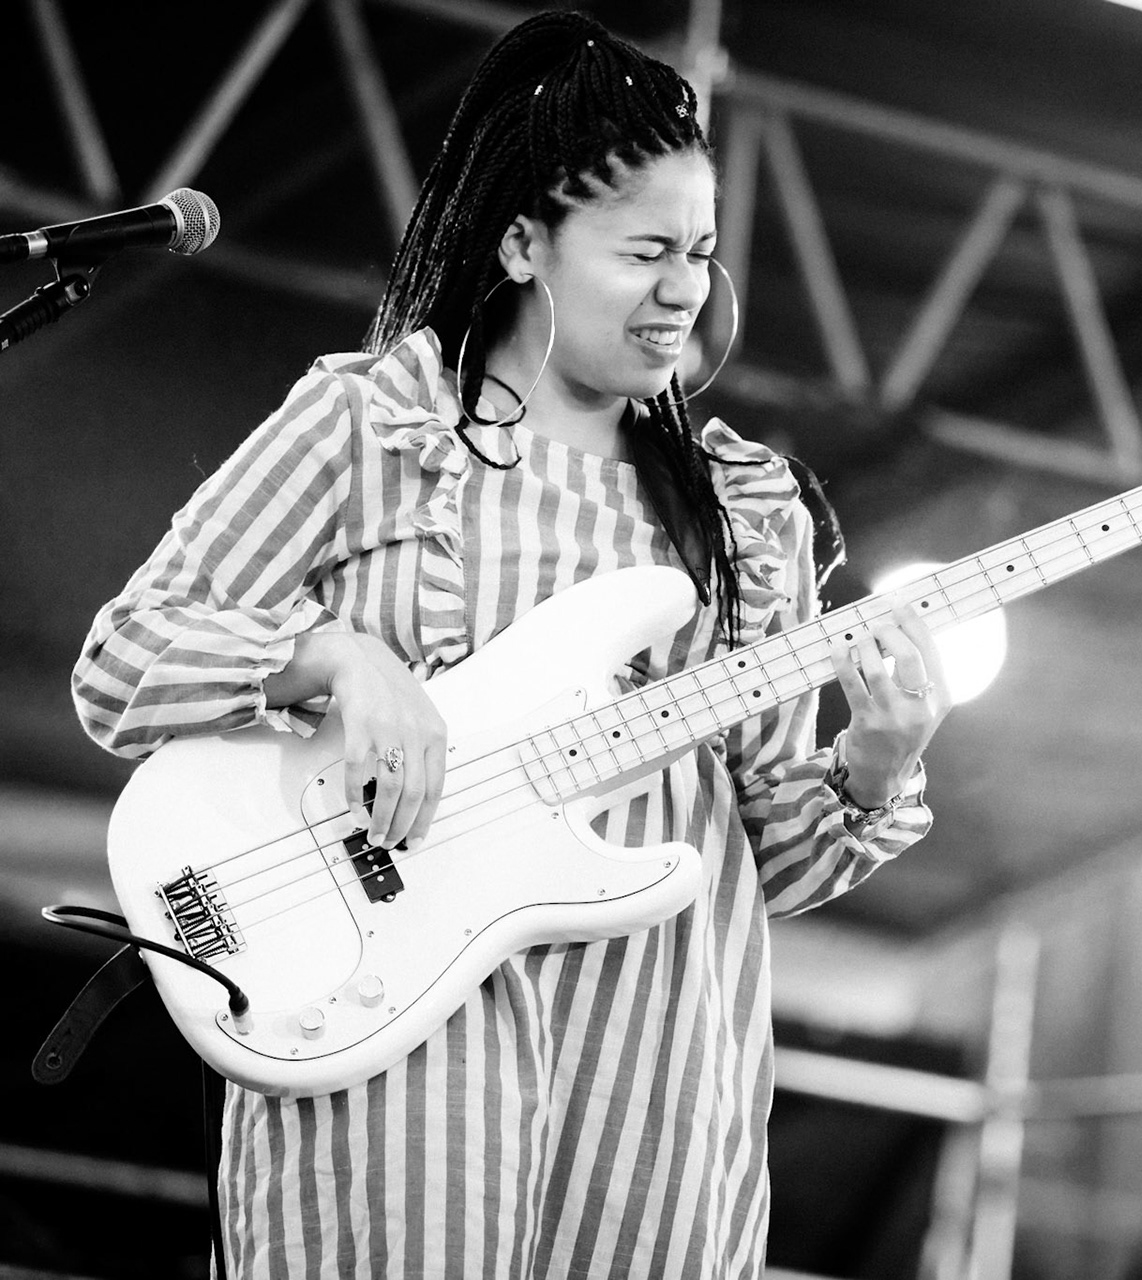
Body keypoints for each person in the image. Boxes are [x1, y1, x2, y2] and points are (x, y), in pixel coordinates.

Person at [70, 11, 946, 1276]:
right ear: (524, 241)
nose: (685, 290)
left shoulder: (748, 508)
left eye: (699, 251)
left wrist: (879, 757)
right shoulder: (373, 421)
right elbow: (123, 659)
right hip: (390, 1026)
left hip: (658, 1061)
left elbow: (781, 859)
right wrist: (338, 659)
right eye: (645, 249)